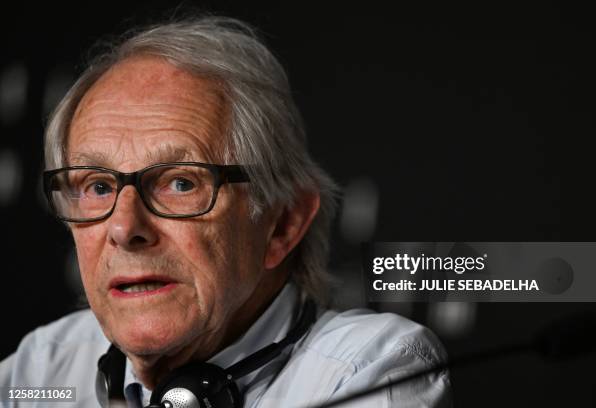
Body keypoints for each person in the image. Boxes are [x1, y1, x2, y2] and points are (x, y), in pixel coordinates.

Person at [0, 16, 451, 407]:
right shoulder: (43, 366)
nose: (123, 227)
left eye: (180, 183)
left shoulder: (372, 369)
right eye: (97, 186)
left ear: (282, 224)